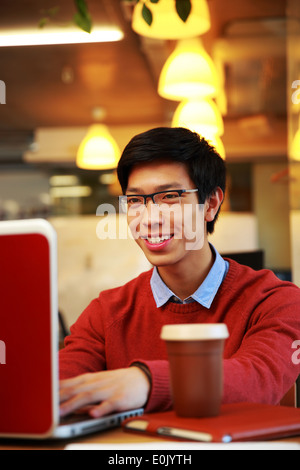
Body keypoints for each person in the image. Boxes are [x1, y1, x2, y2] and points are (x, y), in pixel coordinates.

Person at [59, 127, 300, 418]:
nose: (150, 219)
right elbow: (59, 389)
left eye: (170, 197)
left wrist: (147, 382)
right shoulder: (106, 314)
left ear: (210, 204)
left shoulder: (276, 302)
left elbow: (258, 378)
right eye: (135, 201)